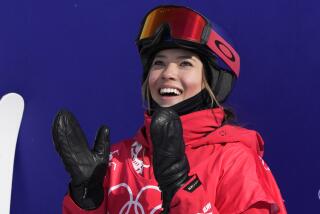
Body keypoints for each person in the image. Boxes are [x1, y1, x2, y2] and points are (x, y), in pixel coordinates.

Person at [52, 5, 287, 214]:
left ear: (213, 81)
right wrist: (86, 202)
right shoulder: (116, 161)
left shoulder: (235, 161)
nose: (168, 74)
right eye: (159, 63)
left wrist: (182, 188)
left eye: (185, 63)